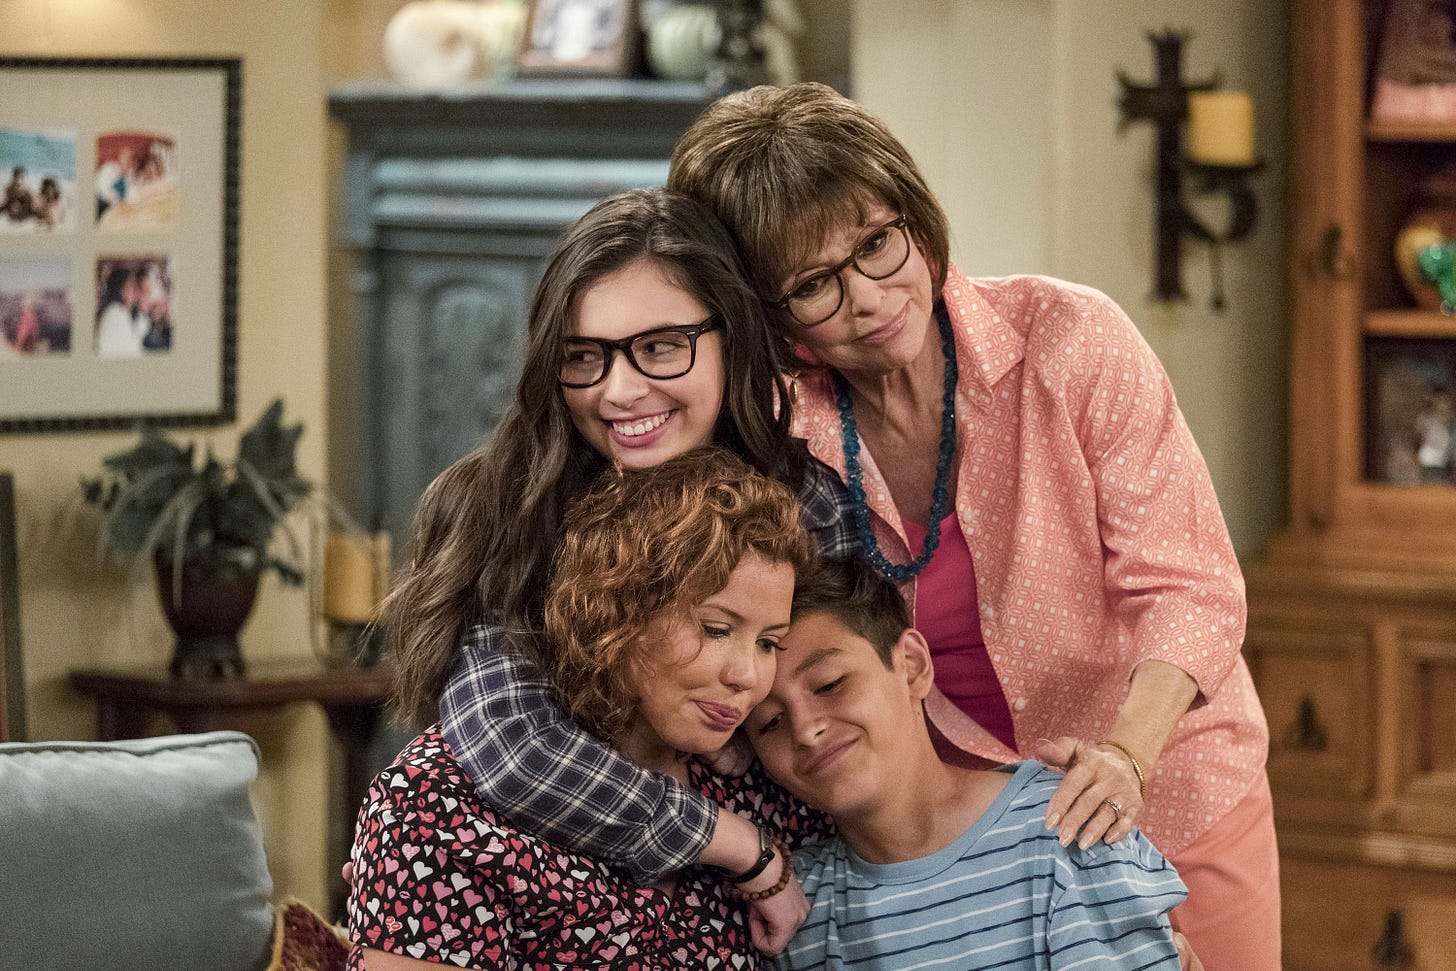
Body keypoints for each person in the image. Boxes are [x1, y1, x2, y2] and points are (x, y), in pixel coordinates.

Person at [668, 82, 1275, 969]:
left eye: (878, 243)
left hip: (1166, 777)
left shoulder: (1072, 338)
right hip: (958, 838)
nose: (870, 297)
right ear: (768, 315)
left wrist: (1125, 759)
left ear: (914, 215)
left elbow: (1192, 588)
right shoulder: (778, 431)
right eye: (813, 286)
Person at [389, 187, 857, 953]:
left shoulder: (808, 509)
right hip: (573, 889)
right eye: (585, 356)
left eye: (662, 345)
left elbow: (837, 714)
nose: (619, 389)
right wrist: (739, 846)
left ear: (730, 340)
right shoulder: (509, 506)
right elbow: (511, 744)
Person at [349, 449, 818, 969]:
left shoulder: (756, 785)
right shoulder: (433, 804)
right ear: (616, 608)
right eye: (716, 629)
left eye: (769, 642)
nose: (747, 677)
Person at [748, 555, 1199, 971]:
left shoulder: (1068, 829)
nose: (805, 730)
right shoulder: (792, 906)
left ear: (911, 665)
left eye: (830, 684)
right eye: (769, 723)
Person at [95, 265, 144, 358]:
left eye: (135, 284)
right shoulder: (114, 312)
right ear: (119, 287)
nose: (135, 288)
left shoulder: (123, 311)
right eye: (130, 284)